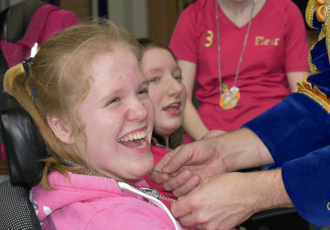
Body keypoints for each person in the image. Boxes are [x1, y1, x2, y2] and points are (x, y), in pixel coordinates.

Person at [151, 1, 330, 229]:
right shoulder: (194, 15)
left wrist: (256, 191)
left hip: (281, 164)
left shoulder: (285, 11)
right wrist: (222, 149)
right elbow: (321, 99)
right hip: (244, 144)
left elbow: (303, 88)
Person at [4, 21, 186, 230]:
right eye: (114, 100)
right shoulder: (120, 222)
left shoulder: (70, 190)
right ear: (64, 127)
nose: (142, 111)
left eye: (141, 91)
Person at [169, 0, 310, 142]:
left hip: (272, 133)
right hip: (207, 135)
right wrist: (206, 138)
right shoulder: (193, 16)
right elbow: (180, 96)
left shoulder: (286, 11)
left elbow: (301, 94)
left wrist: (279, 137)